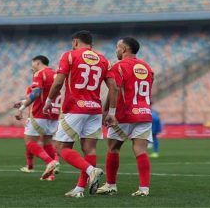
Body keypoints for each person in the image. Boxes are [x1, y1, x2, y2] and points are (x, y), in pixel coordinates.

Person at [43, 30, 118, 198]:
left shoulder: (70, 55)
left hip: (75, 108)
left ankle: (92, 170)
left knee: (61, 149)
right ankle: (79, 189)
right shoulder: (103, 59)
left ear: (75, 41)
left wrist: (49, 100)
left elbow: (58, 82)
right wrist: (111, 112)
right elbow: (114, 87)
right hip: (95, 109)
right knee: (89, 150)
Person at [96, 37, 154, 197]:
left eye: (117, 47)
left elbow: (113, 89)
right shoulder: (147, 67)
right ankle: (144, 189)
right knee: (141, 150)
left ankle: (111, 185)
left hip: (123, 114)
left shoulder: (119, 66)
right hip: (143, 113)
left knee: (113, 148)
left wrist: (107, 111)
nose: (116, 50)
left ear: (124, 49)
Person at [14, 55, 60, 181]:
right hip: (54, 113)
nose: (32, 66)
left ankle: (50, 162)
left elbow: (36, 93)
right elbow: (45, 95)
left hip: (39, 113)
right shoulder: (56, 74)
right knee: (47, 143)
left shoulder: (40, 73)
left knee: (30, 142)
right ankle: (50, 175)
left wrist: (22, 109)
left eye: (32, 63)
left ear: (38, 62)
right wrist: (24, 101)